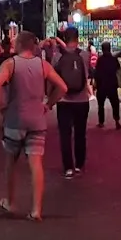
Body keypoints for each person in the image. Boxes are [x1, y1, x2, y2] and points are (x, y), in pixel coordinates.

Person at [0, 31, 68, 220]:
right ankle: (36, 209)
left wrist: (2, 106)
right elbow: (63, 87)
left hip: (14, 120)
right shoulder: (43, 65)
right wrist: (48, 104)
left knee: (11, 163)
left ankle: (10, 201)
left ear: (19, 44)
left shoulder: (10, 64)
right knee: (36, 164)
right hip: (37, 120)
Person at [52, 27, 93, 177]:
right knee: (80, 133)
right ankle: (80, 164)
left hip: (63, 100)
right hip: (82, 100)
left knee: (65, 134)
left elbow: (53, 78)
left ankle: (68, 167)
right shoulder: (85, 55)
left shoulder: (57, 57)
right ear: (77, 38)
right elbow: (87, 73)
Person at [94, 41, 121, 128]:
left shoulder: (100, 60)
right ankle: (117, 121)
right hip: (112, 84)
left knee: (101, 105)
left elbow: (97, 72)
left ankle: (101, 122)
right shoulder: (113, 59)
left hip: (102, 84)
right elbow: (118, 68)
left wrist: (95, 83)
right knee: (115, 103)